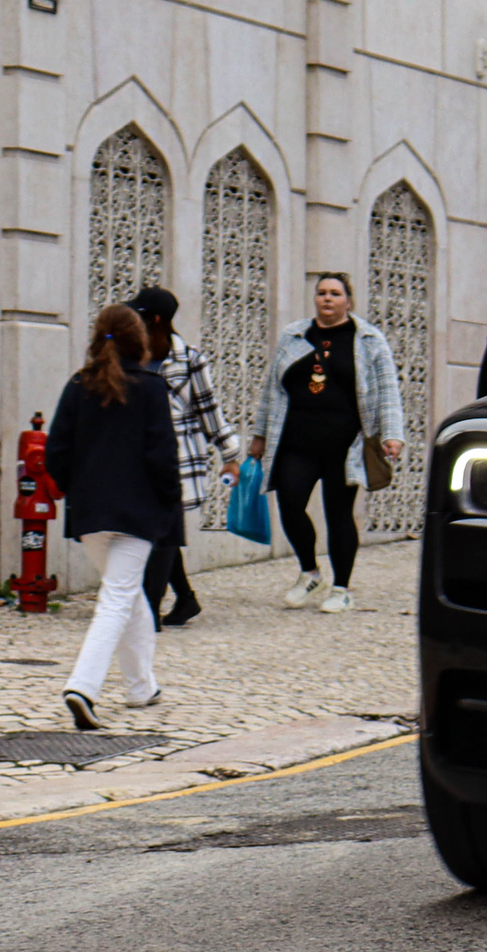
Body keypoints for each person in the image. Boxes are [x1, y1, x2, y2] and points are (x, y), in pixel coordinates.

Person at [45, 305, 181, 731]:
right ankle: (83, 686)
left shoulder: (76, 386)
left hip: (90, 514)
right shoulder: (151, 388)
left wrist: (77, 489)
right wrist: (169, 501)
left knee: (126, 593)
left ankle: (142, 686)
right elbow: (162, 454)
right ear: (137, 340)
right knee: (117, 599)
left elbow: (55, 453)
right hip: (137, 512)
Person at [249, 273, 405, 614]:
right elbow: (271, 389)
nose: (327, 299)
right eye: (321, 293)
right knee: (289, 503)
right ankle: (309, 572)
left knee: (339, 515)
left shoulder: (368, 340)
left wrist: (392, 434)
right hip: (296, 442)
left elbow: (388, 392)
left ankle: (341, 587)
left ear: (348, 300)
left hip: (344, 446)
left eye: (335, 293)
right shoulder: (294, 335)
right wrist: (259, 435)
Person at [128, 286, 239, 628]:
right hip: (137, 459)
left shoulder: (189, 360)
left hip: (177, 461)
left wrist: (230, 454)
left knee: (161, 532)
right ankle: (186, 598)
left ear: (156, 320)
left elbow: (208, 409)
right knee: (160, 530)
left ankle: (149, 609)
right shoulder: (131, 357)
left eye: (139, 315)